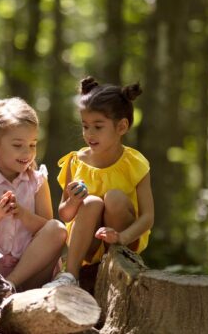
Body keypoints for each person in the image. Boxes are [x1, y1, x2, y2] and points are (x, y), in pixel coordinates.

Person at [43, 76, 154, 288]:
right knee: (91, 202)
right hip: (89, 244)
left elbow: (148, 217)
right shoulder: (75, 162)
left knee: (113, 197)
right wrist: (74, 202)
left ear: (121, 127)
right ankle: (70, 275)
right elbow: (64, 214)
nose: (89, 134)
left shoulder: (135, 163)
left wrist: (121, 237)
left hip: (124, 238)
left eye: (98, 127)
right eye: (85, 126)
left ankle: (117, 265)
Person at [0, 97, 67, 292]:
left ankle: (10, 285)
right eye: (18, 145)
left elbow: (46, 229)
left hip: (32, 272)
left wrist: (24, 215)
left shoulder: (37, 181)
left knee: (57, 228)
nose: (27, 152)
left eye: (33, 144)